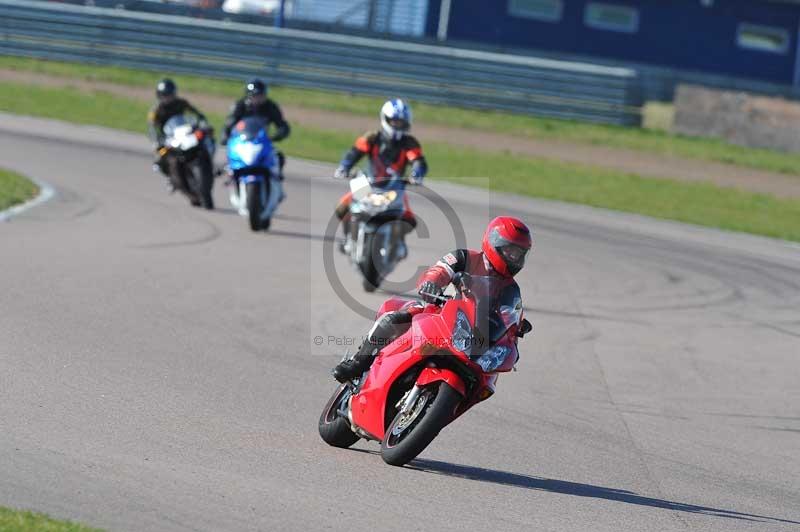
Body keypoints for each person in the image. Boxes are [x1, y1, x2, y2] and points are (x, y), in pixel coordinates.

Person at [332, 216, 533, 383]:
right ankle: (358, 363)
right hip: (442, 312)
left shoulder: (511, 288)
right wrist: (432, 283)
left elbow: (511, 315)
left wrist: (516, 328)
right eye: (509, 250)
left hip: (473, 336)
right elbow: (441, 269)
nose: (513, 257)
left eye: (518, 254)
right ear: (493, 242)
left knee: (486, 374)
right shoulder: (466, 258)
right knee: (395, 318)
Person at [333, 98, 428, 254]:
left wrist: (416, 174)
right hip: (368, 182)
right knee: (342, 207)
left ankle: (398, 243)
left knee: (409, 219)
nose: (397, 125)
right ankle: (348, 238)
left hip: (395, 185)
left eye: (401, 122)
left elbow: (418, 161)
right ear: (385, 119)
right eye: (394, 121)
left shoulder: (409, 143)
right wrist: (344, 166)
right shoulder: (371, 137)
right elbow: (354, 153)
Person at [147, 78, 210, 198]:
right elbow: (152, 127)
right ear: (159, 96)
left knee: (203, 143)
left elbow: (196, 113)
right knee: (160, 158)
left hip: (183, 134)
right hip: (167, 139)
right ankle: (170, 177)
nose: (168, 98)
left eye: (170, 95)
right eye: (165, 95)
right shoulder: (156, 111)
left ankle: (205, 170)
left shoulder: (181, 103)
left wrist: (201, 122)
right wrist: (157, 141)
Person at [221, 78, 290, 183]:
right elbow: (230, 123)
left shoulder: (270, 107)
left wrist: (279, 134)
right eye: (255, 96)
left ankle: (277, 178)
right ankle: (232, 174)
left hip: (262, 141)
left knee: (278, 156)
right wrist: (225, 135)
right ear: (248, 95)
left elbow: (281, 124)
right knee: (232, 154)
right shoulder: (240, 105)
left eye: (260, 95)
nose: (257, 99)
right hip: (243, 140)